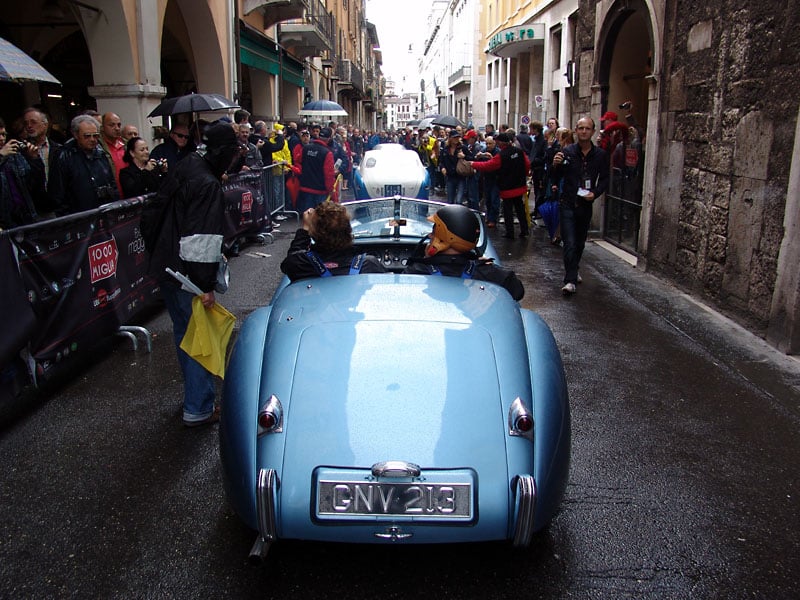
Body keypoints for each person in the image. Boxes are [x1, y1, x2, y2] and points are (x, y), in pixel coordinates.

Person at [145, 122, 241, 427]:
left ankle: (194, 399)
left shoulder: (188, 166)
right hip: (186, 272)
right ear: (223, 151)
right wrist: (204, 285)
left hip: (169, 264)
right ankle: (198, 406)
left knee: (185, 333)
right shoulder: (205, 182)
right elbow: (201, 239)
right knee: (197, 336)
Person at [402, 204, 524, 301]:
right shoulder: (487, 272)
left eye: (434, 232)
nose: (430, 235)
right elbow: (518, 291)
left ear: (445, 237)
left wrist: (426, 258)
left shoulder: (417, 271)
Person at [552, 116, 610, 295]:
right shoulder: (567, 151)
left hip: (585, 204)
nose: (584, 131)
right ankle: (569, 280)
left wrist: (596, 193)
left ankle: (574, 269)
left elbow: (606, 178)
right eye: (581, 128)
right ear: (576, 130)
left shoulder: (600, 155)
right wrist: (555, 165)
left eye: (587, 128)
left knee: (579, 242)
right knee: (568, 241)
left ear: (592, 131)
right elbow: (556, 176)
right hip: (568, 202)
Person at [280, 201, 386, 282]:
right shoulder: (369, 264)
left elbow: (292, 257)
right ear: (348, 231)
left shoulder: (300, 264)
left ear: (314, 234)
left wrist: (304, 229)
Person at [48, 115, 119, 215]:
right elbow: (57, 193)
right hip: (78, 214)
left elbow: (112, 182)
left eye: (95, 136)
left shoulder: (101, 153)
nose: (92, 139)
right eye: (87, 136)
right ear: (76, 135)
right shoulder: (63, 156)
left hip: (104, 211)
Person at [468, 132, 530, 239]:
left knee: (508, 210)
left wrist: (473, 164)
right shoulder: (519, 152)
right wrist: (524, 175)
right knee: (520, 208)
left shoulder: (502, 155)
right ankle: (524, 230)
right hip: (519, 185)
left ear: (500, 142)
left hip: (507, 188)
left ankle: (510, 233)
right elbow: (527, 164)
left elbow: (488, 166)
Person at [0, 118, 46, 229]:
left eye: (3, 134)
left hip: (24, 217)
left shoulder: (14, 155)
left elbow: (35, 184)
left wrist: (33, 159)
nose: (1, 139)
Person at [292, 126, 335, 212]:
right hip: (320, 190)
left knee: (307, 215)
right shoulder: (327, 153)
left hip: (305, 186)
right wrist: (330, 189)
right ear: (329, 138)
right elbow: (329, 174)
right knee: (320, 216)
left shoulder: (306, 148)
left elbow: (297, 159)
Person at [22, 107, 61, 188]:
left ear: (45, 125)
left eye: (33, 122)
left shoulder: (59, 149)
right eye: (26, 123)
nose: (29, 126)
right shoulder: (22, 150)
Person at [475, 135, 500, 227]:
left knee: (494, 199)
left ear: (494, 143)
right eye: (487, 143)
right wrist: (478, 157)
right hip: (486, 178)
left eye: (490, 143)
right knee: (488, 199)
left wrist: (490, 157)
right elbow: (478, 160)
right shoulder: (484, 150)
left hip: (496, 178)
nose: (488, 145)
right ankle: (489, 217)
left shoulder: (497, 152)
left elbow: (497, 164)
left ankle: (493, 219)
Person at [99, 112, 126, 195]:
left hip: (128, 192)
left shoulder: (126, 144)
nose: (117, 128)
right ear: (102, 127)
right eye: (112, 125)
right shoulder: (98, 147)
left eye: (119, 125)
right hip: (112, 193)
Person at [439, 130, 467, 205]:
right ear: (450, 138)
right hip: (450, 177)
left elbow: (472, 158)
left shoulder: (463, 148)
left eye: (458, 137)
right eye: (454, 137)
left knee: (458, 200)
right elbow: (441, 161)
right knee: (450, 201)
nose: (456, 139)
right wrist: (442, 168)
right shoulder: (445, 149)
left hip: (460, 176)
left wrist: (464, 156)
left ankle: (458, 215)